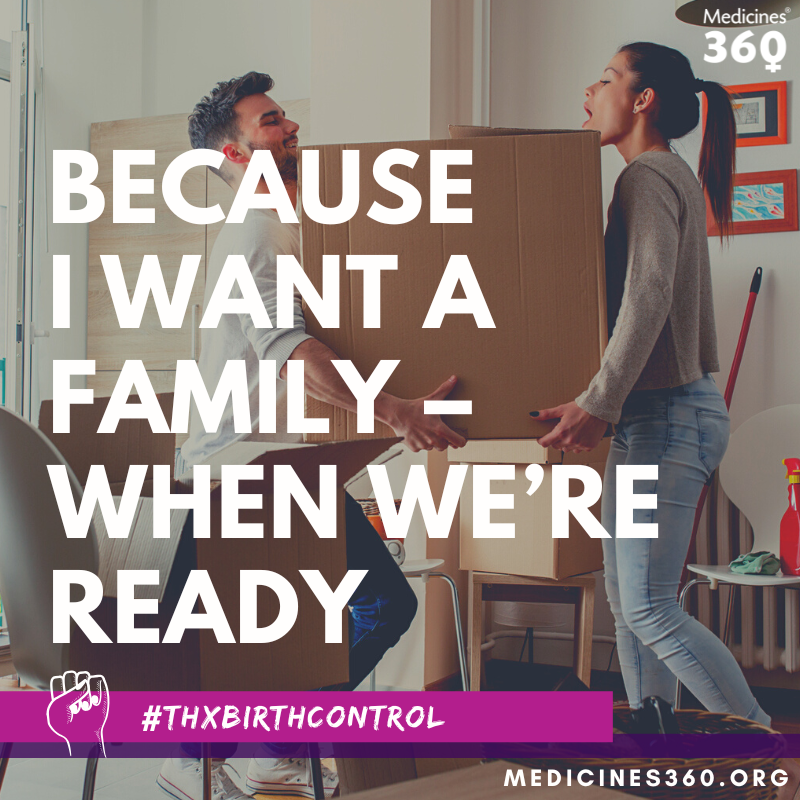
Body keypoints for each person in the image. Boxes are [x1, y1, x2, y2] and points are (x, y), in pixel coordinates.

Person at [156, 72, 466, 800]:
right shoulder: (256, 231)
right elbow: (289, 349)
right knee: (382, 605)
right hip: (244, 471)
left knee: (269, 629)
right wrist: (396, 413)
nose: (290, 128)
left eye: (286, 116)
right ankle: (235, 749)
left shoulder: (281, 228)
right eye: (269, 123)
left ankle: (238, 749)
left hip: (249, 465)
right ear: (234, 154)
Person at [534, 43, 772, 727]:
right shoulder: (659, 175)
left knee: (646, 603)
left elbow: (650, 294)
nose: (589, 88)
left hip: (665, 420)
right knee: (628, 595)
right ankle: (655, 733)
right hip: (655, 421)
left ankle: (760, 750)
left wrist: (597, 401)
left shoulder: (645, 177)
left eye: (606, 78)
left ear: (643, 101)